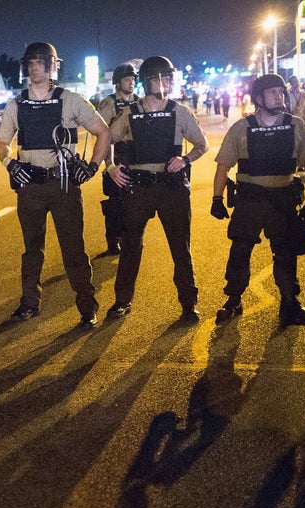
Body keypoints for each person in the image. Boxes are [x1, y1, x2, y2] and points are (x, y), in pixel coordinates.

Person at [0, 42, 111, 328]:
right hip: (30, 186)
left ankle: (87, 306)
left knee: (73, 248)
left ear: (52, 65)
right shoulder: (17, 103)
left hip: (63, 184)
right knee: (31, 249)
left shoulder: (71, 99)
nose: (32, 66)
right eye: (29, 62)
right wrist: (10, 164)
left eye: (38, 61)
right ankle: (29, 303)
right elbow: (2, 143)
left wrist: (93, 167)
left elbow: (103, 132)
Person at [210, 73, 305, 327]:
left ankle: (289, 302)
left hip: (283, 199)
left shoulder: (297, 126)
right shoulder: (241, 128)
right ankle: (233, 299)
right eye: (272, 92)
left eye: (281, 92)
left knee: (285, 253)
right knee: (240, 251)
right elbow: (223, 166)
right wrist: (217, 199)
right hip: (250, 200)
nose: (278, 96)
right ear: (258, 98)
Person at [106, 55, 208, 323]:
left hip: (171, 188)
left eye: (166, 78)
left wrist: (184, 160)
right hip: (138, 188)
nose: (163, 83)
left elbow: (201, 144)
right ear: (145, 82)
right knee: (130, 247)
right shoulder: (130, 113)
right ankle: (122, 301)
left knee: (180, 248)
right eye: (156, 78)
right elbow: (107, 139)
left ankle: (189, 304)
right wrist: (110, 168)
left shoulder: (180, 111)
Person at [96, 63, 141, 256]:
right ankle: (113, 241)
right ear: (117, 82)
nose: (130, 83)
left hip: (136, 157)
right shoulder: (108, 104)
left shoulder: (140, 102)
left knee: (136, 203)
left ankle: (131, 239)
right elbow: (104, 136)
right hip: (116, 155)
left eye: (132, 79)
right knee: (115, 203)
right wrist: (109, 165)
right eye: (126, 79)